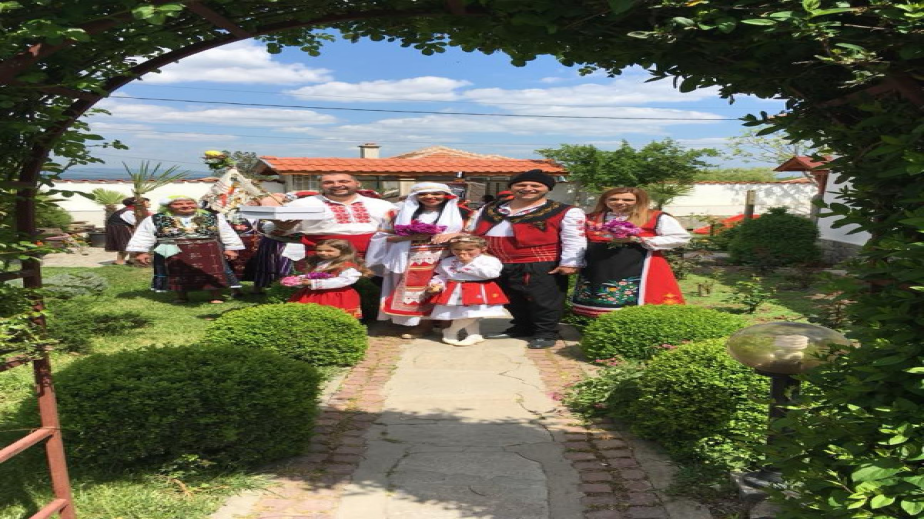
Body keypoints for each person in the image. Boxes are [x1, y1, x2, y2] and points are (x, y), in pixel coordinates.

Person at [469, 169, 586, 349]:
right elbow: (472, 229)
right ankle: (522, 326)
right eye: (521, 185)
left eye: (535, 185)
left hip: (539, 261)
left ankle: (546, 333)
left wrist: (570, 262)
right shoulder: (491, 208)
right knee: (509, 298)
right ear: (511, 187)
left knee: (544, 300)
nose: (528, 188)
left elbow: (574, 238)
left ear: (547, 189)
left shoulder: (565, 211)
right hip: (495, 261)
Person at [365, 182, 468, 338]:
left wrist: (455, 235)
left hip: (451, 259)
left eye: (436, 193)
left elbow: (477, 236)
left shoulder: (465, 213)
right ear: (415, 196)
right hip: (412, 260)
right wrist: (411, 237)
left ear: (446, 195)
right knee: (419, 293)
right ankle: (423, 326)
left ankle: (450, 327)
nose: (429, 197)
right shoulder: (396, 214)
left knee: (449, 291)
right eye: (423, 194)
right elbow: (382, 237)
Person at [571, 187, 690, 317]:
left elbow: (680, 237)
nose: (619, 202)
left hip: (641, 263)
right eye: (613, 199)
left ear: (638, 201)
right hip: (598, 266)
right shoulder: (591, 218)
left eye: (627, 200)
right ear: (605, 200)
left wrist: (638, 239)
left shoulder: (654, 217)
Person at [126, 195, 244, 303]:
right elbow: (143, 235)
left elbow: (227, 232)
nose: (185, 206)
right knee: (177, 273)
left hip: (208, 249)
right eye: (178, 204)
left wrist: (231, 248)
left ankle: (216, 296)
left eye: (190, 203)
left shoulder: (213, 217)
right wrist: (141, 252)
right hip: (170, 248)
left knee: (212, 272)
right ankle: (181, 296)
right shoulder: (155, 219)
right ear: (169, 206)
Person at [271, 173, 395, 260]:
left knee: (376, 287)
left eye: (344, 181)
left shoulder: (382, 205)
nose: (336, 185)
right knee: (327, 287)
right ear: (321, 185)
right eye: (328, 182)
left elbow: (399, 227)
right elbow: (275, 229)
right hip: (323, 256)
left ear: (357, 184)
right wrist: (282, 226)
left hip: (375, 255)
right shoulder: (302, 204)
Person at [427, 236, 509, 346]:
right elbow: (442, 275)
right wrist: (437, 283)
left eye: (469, 249)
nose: (462, 252)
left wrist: (469, 263)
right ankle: (474, 335)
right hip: (454, 290)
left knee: (472, 314)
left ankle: (450, 331)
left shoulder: (489, 260)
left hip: (478, 289)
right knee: (465, 314)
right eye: (457, 249)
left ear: (483, 248)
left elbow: (492, 274)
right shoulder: (447, 261)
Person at [286, 239, 368, 318]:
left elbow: (345, 280)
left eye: (329, 251)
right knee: (307, 314)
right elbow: (314, 275)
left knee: (334, 316)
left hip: (335, 295)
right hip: (313, 293)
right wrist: (300, 280)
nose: (323, 253)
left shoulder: (346, 265)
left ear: (343, 251)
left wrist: (314, 283)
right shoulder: (320, 263)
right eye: (319, 250)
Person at [104, 197, 148, 265]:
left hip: (121, 227)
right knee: (126, 244)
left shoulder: (132, 210)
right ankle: (119, 261)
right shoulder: (128, 211)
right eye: (146, 202)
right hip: (120, 228)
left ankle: (131, 259)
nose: (149, 204)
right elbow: (135, 223)